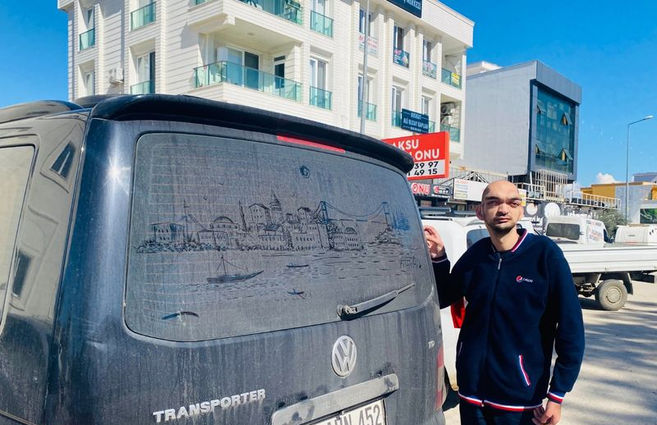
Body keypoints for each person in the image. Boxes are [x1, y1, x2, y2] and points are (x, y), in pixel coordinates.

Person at [424, 181, 584, 425]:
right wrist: (439, 258)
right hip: (471, 395)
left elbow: (571, 327)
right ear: (480, 211)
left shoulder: (545, 255)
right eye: (493, 202)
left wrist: (557, 394)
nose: (503, 209)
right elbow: (445, 297)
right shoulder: (476, 255)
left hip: (519, 401)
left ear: (521, 211)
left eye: (512, 202)